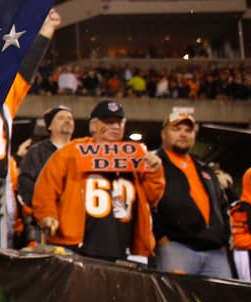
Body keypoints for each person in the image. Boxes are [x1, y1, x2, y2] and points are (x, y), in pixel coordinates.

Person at [32, 100, 164, 262]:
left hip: (122, 245)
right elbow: (47, 188)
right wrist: (47, 214)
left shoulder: (137, 155)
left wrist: (155, 172)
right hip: (76, 245)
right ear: (93, 126)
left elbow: (152, 197)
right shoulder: (71, 152)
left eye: (119, 122)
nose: (115, 127)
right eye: (108, 122)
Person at [150, 107, 233, 277]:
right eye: (176, 129)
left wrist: (224, 239)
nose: (183, 134)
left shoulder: (205, 169)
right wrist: (162, 238)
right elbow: (147, 203)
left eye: (188, 130)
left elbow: (222, 206)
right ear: (163, 134)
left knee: (221, 295)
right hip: (176, 247)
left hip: (215, 251)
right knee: (175, 294)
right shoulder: (154, 163)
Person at [17, 105, 74, 246]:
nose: (67, 120)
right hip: (44, 222)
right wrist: (43, 208)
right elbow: (25, 183)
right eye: (61, 118)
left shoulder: (80, 151)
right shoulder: (37, 151)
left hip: (74, 220)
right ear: (50, 126)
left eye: (70, 118)